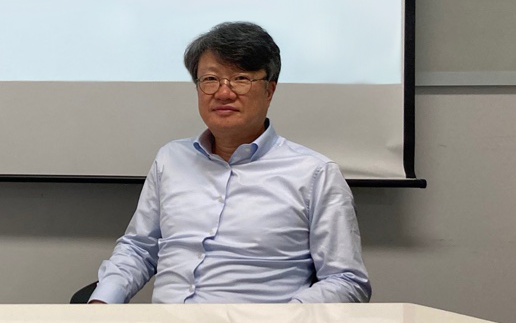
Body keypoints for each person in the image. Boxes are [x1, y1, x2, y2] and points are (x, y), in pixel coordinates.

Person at [89, 21, 370, 304]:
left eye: (240, 79)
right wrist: (102, 301)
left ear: (269, 90)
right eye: (210, 80)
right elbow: (139, 249)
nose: (223, 93)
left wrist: (283, 320)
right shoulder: (170, 159)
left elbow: (346, 281)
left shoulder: (315, 174)